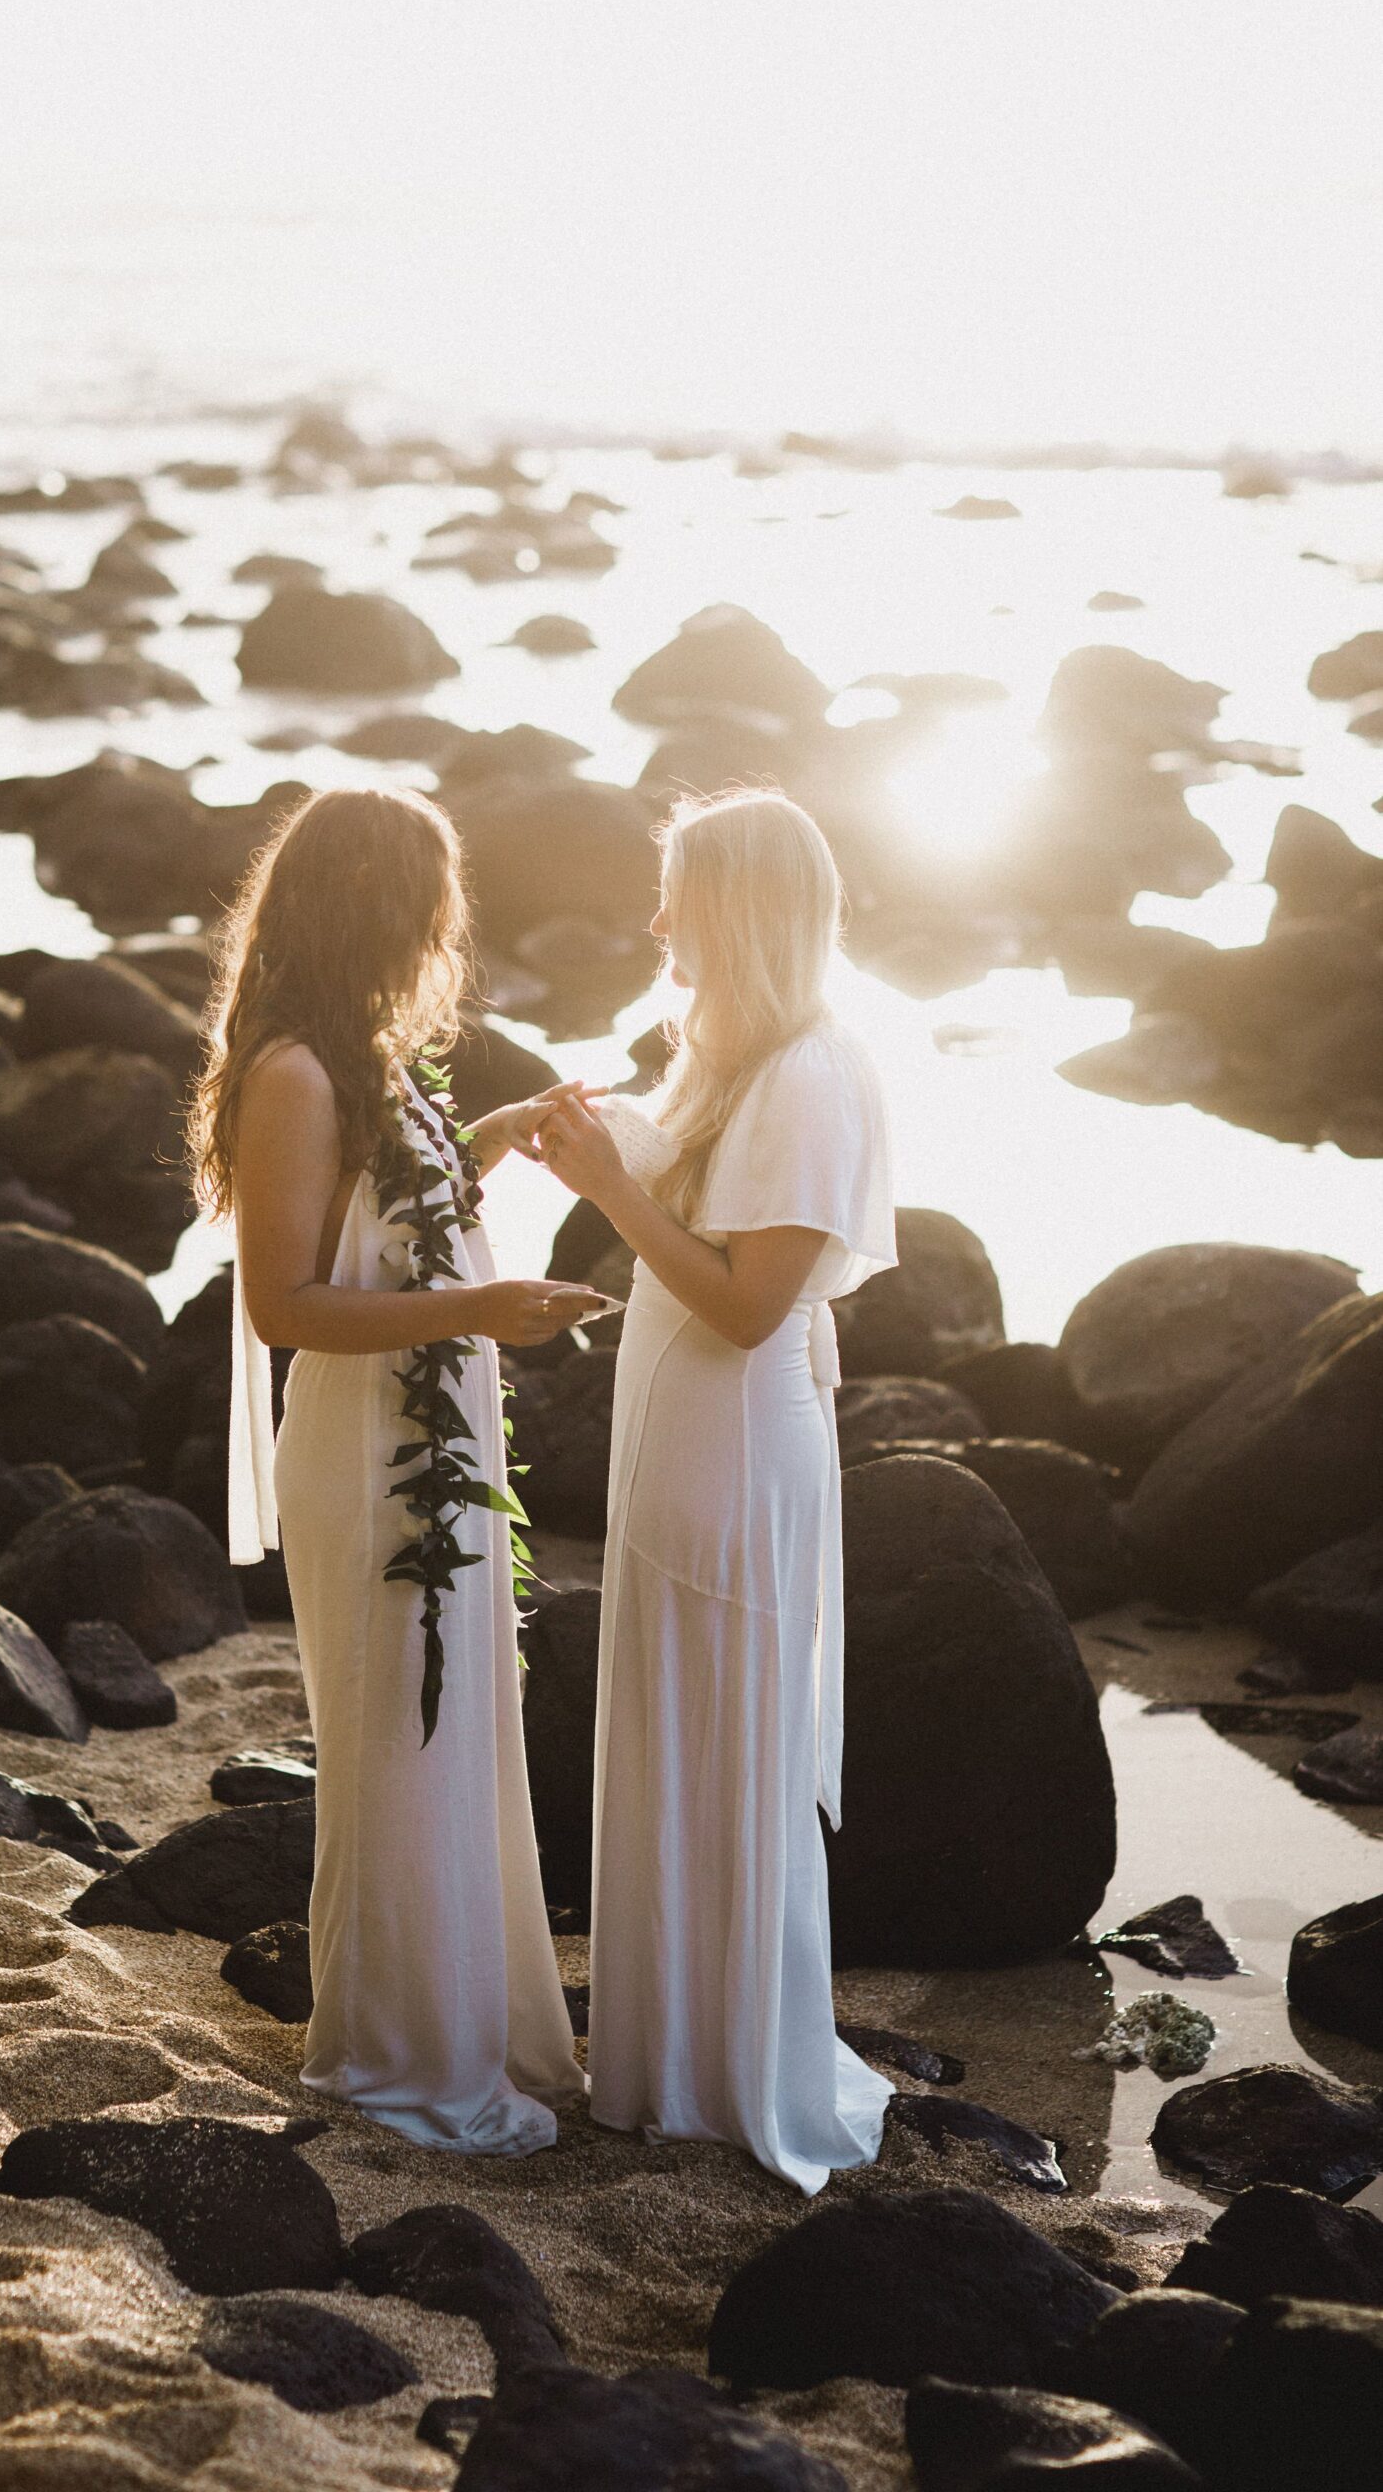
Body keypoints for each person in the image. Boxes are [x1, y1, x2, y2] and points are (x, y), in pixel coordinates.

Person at [189, 781, 602, 2156]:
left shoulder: (366, 1060)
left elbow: (391, 1225)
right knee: (401, 1741)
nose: (448, 921)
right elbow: (289, 1306)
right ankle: (394, 2059)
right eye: (431, 893)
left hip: (433, 1440)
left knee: (453, 1727)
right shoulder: (296, 1073)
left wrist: (493, 1139)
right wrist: (480, 1314)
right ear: (375, 902)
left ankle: (459, 2021)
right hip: (370, 1458)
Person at [537, 786, 898, 2192]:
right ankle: (667, 2063)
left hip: (736, 1450)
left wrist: (611, 1195)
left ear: (736, 906)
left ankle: (728, 2073)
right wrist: (609, 1132)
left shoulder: (812, 1073)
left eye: (676, 891)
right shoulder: (739, 1059)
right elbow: (716, 1206)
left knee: (721, 1750)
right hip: (696, 1437)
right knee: (675, 1739)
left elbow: (750, 1305)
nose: (654, 919)